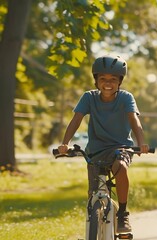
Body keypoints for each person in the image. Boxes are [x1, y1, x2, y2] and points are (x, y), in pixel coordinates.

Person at [57, 55, 150, 233]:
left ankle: (122, 214)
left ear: (120, 81)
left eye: (113, 79)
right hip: (95, 151)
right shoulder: (88, 98)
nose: (108, 83)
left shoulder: (125, 98)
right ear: (96, 81)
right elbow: (76, 120)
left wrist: (141, 143)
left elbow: (134, 121)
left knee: (121, 167)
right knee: (93, 195)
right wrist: (65, 143)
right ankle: (92, 227)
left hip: (120, 148)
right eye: (103, 79)